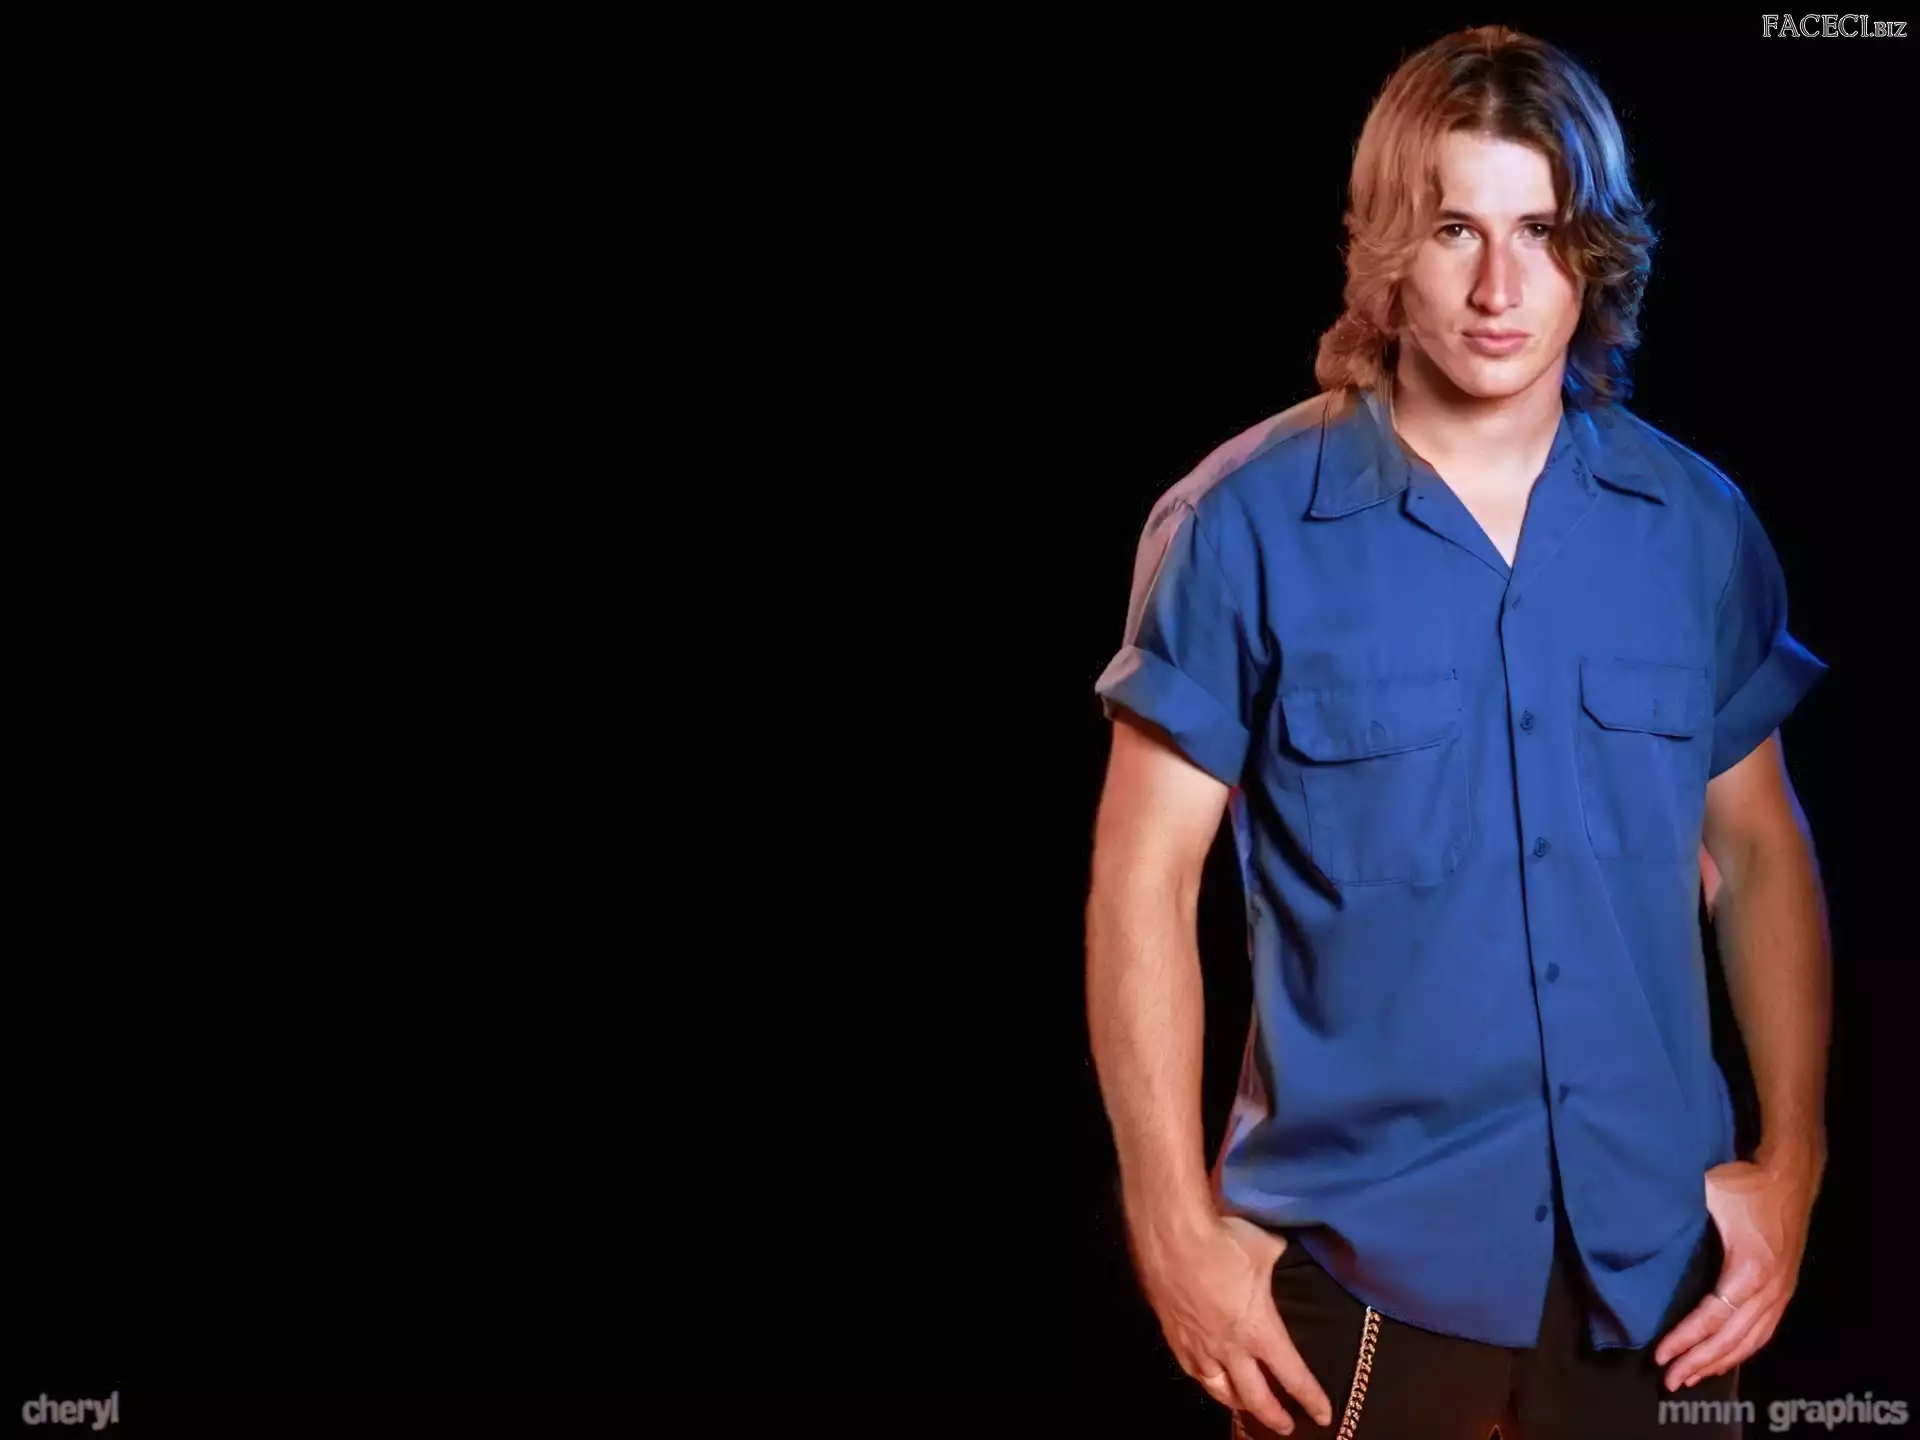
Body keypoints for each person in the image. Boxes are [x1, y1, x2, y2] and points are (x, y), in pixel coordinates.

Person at [1084, 25, 1831, 1439]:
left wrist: (1792, 1163)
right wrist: (1171, 1229)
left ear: (1593, 252)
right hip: (1356, 1274)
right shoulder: (1239, 525)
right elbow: (1141, 882)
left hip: (1658, 1276)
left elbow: (1757, 850)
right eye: (1454, 230)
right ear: (1387, 248)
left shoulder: (1694, 526)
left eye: (1540, 230)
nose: (1500, 287)